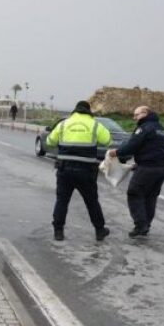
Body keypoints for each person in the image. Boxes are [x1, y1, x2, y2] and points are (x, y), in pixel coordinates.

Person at [46, 100, 112, 241]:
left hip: (64, 169)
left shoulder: (63, 124)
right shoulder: (95, 124)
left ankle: (58, 232)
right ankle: (99, 230)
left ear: (75, 110)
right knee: (91, 201)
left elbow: (50, 141)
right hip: (86, 171)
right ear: (88, 111)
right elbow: (107, 140)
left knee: (62, 201)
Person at [107, 105, 164, 238]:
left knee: (134, 193)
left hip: (148, 168)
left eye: (137, 115)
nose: (134, 118)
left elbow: (132, 145)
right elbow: (152, 148)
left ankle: (140, 225)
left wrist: (116, 152)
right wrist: (139, 162)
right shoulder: (161, 129)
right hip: (162, 168)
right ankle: (146, 225)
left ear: (145, 113)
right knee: (150, 197)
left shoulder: (144, 128)